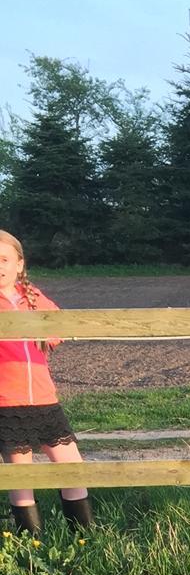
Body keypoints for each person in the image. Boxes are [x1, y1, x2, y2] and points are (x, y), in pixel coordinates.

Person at [0, 229, 93, 535]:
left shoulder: (33, 297)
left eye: (4, 259)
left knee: (72, 468)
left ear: (19, 264)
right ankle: (31, 544)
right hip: (7, 403)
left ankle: (84, 535)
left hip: (44, 398)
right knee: (21, 478)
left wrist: (45, 335)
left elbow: (59, 326)